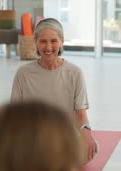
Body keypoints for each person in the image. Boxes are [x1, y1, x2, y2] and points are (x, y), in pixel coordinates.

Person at [11, 18, 97, 163]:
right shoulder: (23, 73)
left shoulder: (75, 73)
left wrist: (87, 135)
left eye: (53, 41)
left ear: (62, 40)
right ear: (36, 41)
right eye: (43, 41)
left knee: (91, 149)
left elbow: (81, 114)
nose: (48, 47)